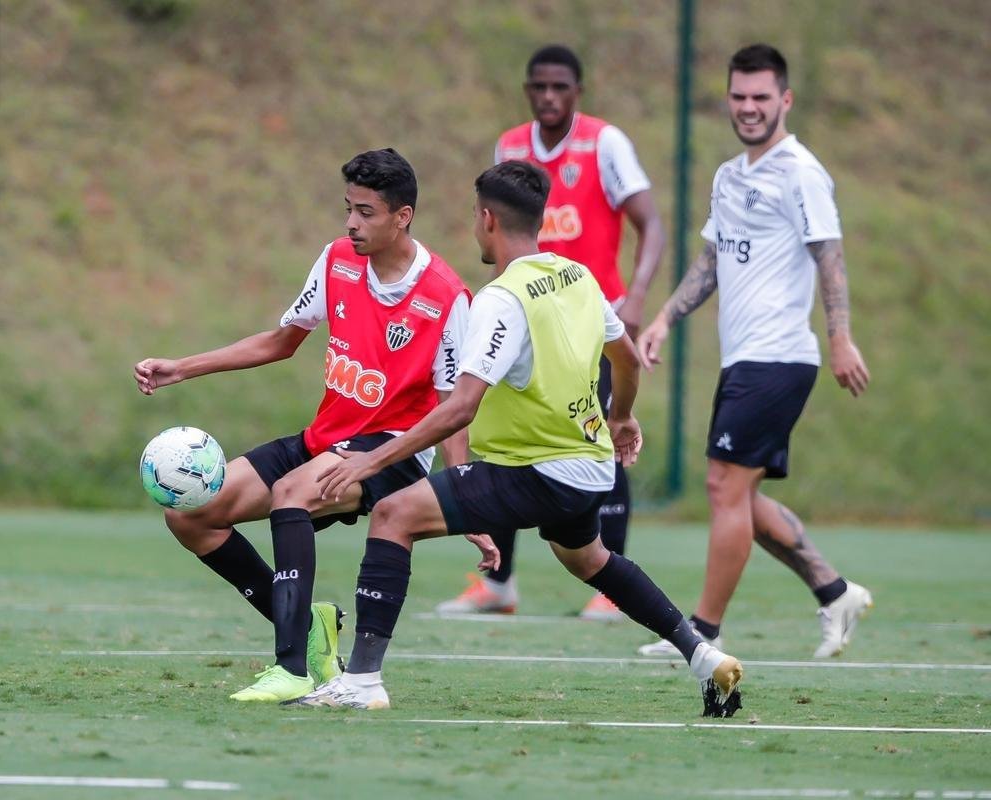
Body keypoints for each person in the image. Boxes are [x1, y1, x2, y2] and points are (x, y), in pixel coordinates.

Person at [294, 161, 743, 716]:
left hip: (537, 470)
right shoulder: (576, 276)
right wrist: (621, 416)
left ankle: (360, 682)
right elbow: (625, 355)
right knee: (589, 560)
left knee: (393, 515)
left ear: (487, 220)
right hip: (590, 468)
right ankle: (700, 654)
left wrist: (370, 463)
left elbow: (459, 407)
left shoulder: (501, 299)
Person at [133, 148, 488, 702]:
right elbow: (280, 341)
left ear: (403, 216)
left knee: (291, 493)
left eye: (366, 212)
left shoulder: (445, 296)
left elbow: (453, 408)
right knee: (189, 514)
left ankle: (292, 667)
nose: (351, 223)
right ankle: (313, 628)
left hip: (389, 454)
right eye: (348, 208)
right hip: (326, 436)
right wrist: (183, 367)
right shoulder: (336, 262)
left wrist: (462, 492)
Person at [634, 44, 873, 660]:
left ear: (784, 100)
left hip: (780, 356)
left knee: (722, 486)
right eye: (739, 96)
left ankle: (701, 636)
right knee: (738, 492)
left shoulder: (801, 172)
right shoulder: (729, 175)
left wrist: (841, 335)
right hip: (744, 359)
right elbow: (711, 261)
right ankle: (834, 591)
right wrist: (663, 317)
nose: (748, 107)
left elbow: (830, 256)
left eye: (761, 97)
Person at [437, 44, 665, 621]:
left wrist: (635, 296)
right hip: (521, 317)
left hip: (583, 322)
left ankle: (610, 584)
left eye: (559, 87)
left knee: (602, 439)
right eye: (538, 86)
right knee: (501, 439)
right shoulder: (510, 147)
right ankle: (497, 583)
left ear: (577, 92)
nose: (548, 97)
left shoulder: (604, 143)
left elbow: (652, 223)